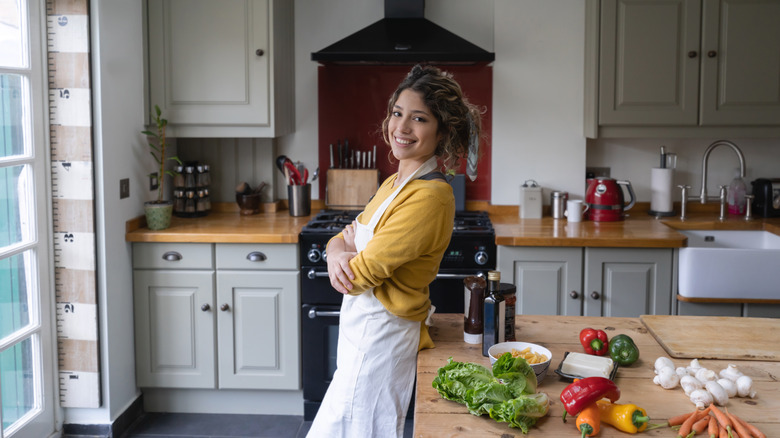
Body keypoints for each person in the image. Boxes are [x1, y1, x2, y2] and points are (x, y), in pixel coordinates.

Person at [306, 64, 483, 438]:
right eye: (397, 113)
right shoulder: (393, 182)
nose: (401, 127)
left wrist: (343, 256)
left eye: (418, 118)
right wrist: (337, 250)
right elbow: (345, 235)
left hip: (383, 337)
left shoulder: (431, 196)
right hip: (360, 335)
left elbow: (358, 276)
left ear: (442, 130)